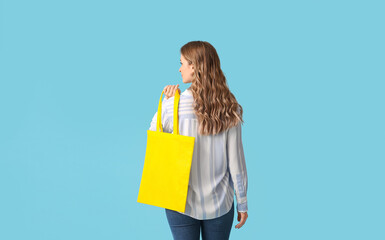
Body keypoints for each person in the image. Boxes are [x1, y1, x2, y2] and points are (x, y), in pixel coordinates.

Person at [149, 41, 248, 240]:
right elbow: (236, 162)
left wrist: (168, 102)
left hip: (180, 201)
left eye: (182, 63)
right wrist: (242, 202)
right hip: (220, 203)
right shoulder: (229, 108)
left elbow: (154, 139)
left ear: (194, 66)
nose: (179, 68)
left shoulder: (172, 107)